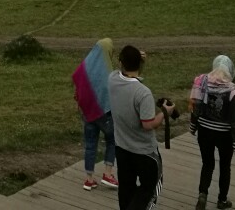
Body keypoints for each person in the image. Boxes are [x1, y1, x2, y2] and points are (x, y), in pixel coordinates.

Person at [108, 45, 172, 210]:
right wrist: (165, 112)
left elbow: (118, 68)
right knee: (149, 190)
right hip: (145, 153)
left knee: (126, 189)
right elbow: (148, 124)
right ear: (140, 64)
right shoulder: (143, 93)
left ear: (121, 62)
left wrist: (134, 58)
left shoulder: (112, 79)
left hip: (122, 149)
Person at [189, 55, 235, 210]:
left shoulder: (203, 84)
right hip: (224, 135)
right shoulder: (232, 93)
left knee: (207, 164)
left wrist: (193, 126)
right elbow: (234, 121)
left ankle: (202, 195)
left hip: (204, 131)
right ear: (230, 70)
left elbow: (195, 107)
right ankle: (222, 200)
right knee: (225, 166)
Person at [72, 38, 119, 190]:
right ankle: (108, 174)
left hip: (87, 112)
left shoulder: (84, 67)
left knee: (90, 144)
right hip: (104, 112)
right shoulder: (108, 72)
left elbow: (77, 85)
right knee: (112, 140)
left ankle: (89, 179)